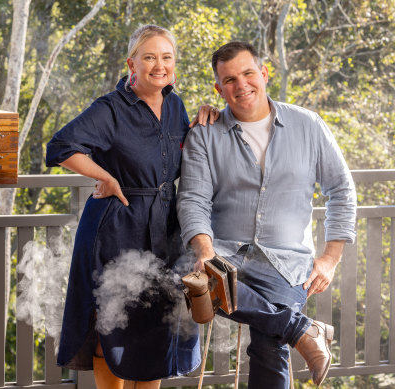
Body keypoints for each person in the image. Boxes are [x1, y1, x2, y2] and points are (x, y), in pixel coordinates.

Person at [46, 25, 218, 389]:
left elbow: (182, 154)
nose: (160, 65)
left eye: (167, 57)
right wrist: (105, 177)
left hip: (164, 229)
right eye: (150, 57)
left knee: (156, 324)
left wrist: (207, 117)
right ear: (132, 64)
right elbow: (60, 146)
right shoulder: (110, 108)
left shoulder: (175, 105)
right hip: (116, 227)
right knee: (112, 322)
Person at [177, 41, 357, 388]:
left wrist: (331, 259)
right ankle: (302, 331)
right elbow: (193, 200)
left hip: (286, 261)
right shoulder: (205, 133)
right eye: (229, 80)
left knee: (269, 344)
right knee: (176, 272)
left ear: (264, 73)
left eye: (248, 73)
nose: (241, 85)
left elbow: (342, 190)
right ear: (218, 88)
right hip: (224, 253)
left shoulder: (308, 126)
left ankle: (293, 329)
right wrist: (205, 253)